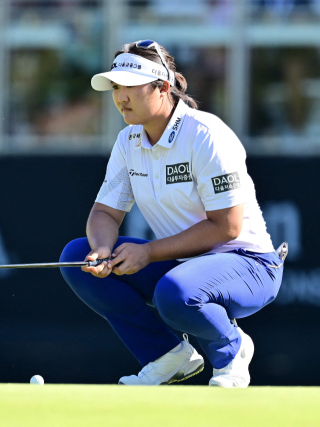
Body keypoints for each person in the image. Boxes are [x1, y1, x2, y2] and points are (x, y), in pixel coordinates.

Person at [59, 40, 287, 387]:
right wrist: (102, 249)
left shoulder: (206, 135)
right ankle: (167, 356)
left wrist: (148, 252)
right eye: (116, 87)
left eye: (131, 87)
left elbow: (227, 227)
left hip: (249, 264)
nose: (121, 97)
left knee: (175, 291)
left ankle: (233, 349)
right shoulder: (128, 141)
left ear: (163, 88)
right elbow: (104, 212)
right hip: (185, 266)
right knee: (77, 257)